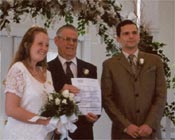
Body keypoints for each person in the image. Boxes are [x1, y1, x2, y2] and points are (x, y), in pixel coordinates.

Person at [101, 20, 167, 139]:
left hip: (150, 133)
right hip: (123, 133)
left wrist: (150, 124)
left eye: (134, 33)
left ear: (139, 36)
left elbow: (161, 95)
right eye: (126, 34)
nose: (131, 36)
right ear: (118, 39)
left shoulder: (155, 61)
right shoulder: (109, 65)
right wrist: (126, 125)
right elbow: (107, 99)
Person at [3, 26, 56, 140]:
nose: (44, 48)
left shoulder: (47, 73)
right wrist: (44, 121)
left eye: (47, 45)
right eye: (40, 44)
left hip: (43, 136)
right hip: (20, 135)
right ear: (27, 45)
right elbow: (11, 109)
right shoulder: (18, 69)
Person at [48, 24, 99, 140]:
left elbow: (96, 99)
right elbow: (43, 102)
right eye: (67, 39)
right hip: (57, 133)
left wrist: (95, 115)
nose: (71, 43)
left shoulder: (90, 69)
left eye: (74, 40)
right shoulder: (46, 69)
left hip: (84, 133)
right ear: (56, 41)